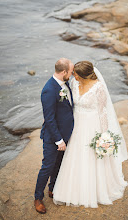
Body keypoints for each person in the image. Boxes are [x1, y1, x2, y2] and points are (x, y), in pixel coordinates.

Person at [53, 61, 128, 208]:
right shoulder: (74, 83)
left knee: (91, 155)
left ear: (84, 76)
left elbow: (102, 111)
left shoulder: (98, 87)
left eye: (75, 74)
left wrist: (104, 134)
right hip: (76, 125)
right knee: (75, 155)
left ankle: (95, 189)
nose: (73, 76)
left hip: (92, 124)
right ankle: (72, 187)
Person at [34, 58, 74, 214]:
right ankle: (38, 198)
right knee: (47, 167)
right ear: (64, 72)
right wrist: (58, 140)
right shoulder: (49, 89)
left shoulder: (65, 84)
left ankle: (52, 189)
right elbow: (49, 118)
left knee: (58, 164)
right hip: (53, 138)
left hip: (65, 135)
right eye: (70, 72)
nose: (71, 75)